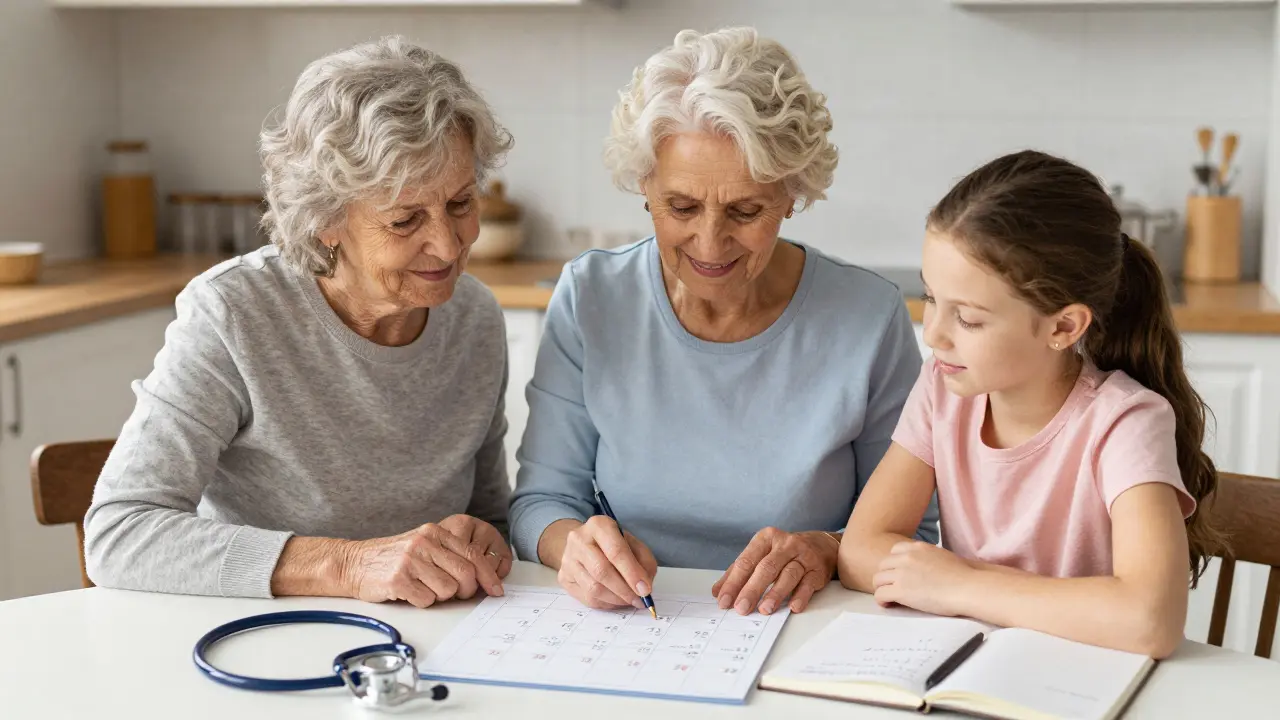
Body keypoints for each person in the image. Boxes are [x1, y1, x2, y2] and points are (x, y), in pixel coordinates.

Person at [509, 27, 938, 618]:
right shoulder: (593, 297)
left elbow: (921, 530)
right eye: (681, 207)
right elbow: (540, 502)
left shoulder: (867, 316)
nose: (710, 243)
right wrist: (573, 546)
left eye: (745, 210)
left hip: (803, 625)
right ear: (644, 186)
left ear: (792, 194)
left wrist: (827, 549)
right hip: (633, 624)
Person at [83, 36, 518, 607]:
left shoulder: (474, 317)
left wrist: (487, 542)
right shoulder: (234, 313)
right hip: (262, 638)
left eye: (461, 204)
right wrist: (347, 564)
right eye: (405, 219)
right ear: (325, 220)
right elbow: (120, 534)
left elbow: (489, 515)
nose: (447, 243)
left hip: (421, 642)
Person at [837, 150, 1223, 659]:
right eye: (931, 298)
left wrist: (960, 585)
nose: (933, 335)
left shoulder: (1125, 421)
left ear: (1063, 327)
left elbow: (1150, 620)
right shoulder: (942, 390)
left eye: (969, 319)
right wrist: (960, 584)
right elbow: (860, 550)